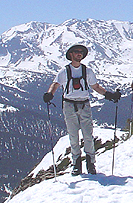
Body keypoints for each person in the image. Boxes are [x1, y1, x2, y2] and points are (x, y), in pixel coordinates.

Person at [44, 44, 120, 175]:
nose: (79, 54)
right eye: (76, 52)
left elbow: (95, 86)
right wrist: (49, 94)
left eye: (81, 52)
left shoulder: (87, 71)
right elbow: (55, 84)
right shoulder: (64, 71)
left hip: (83, 104)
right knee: (73, 136)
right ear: (71, 55)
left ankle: (90, 164)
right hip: (70, 105)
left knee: (88, 135)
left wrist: (109, 95)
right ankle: (77, 164)